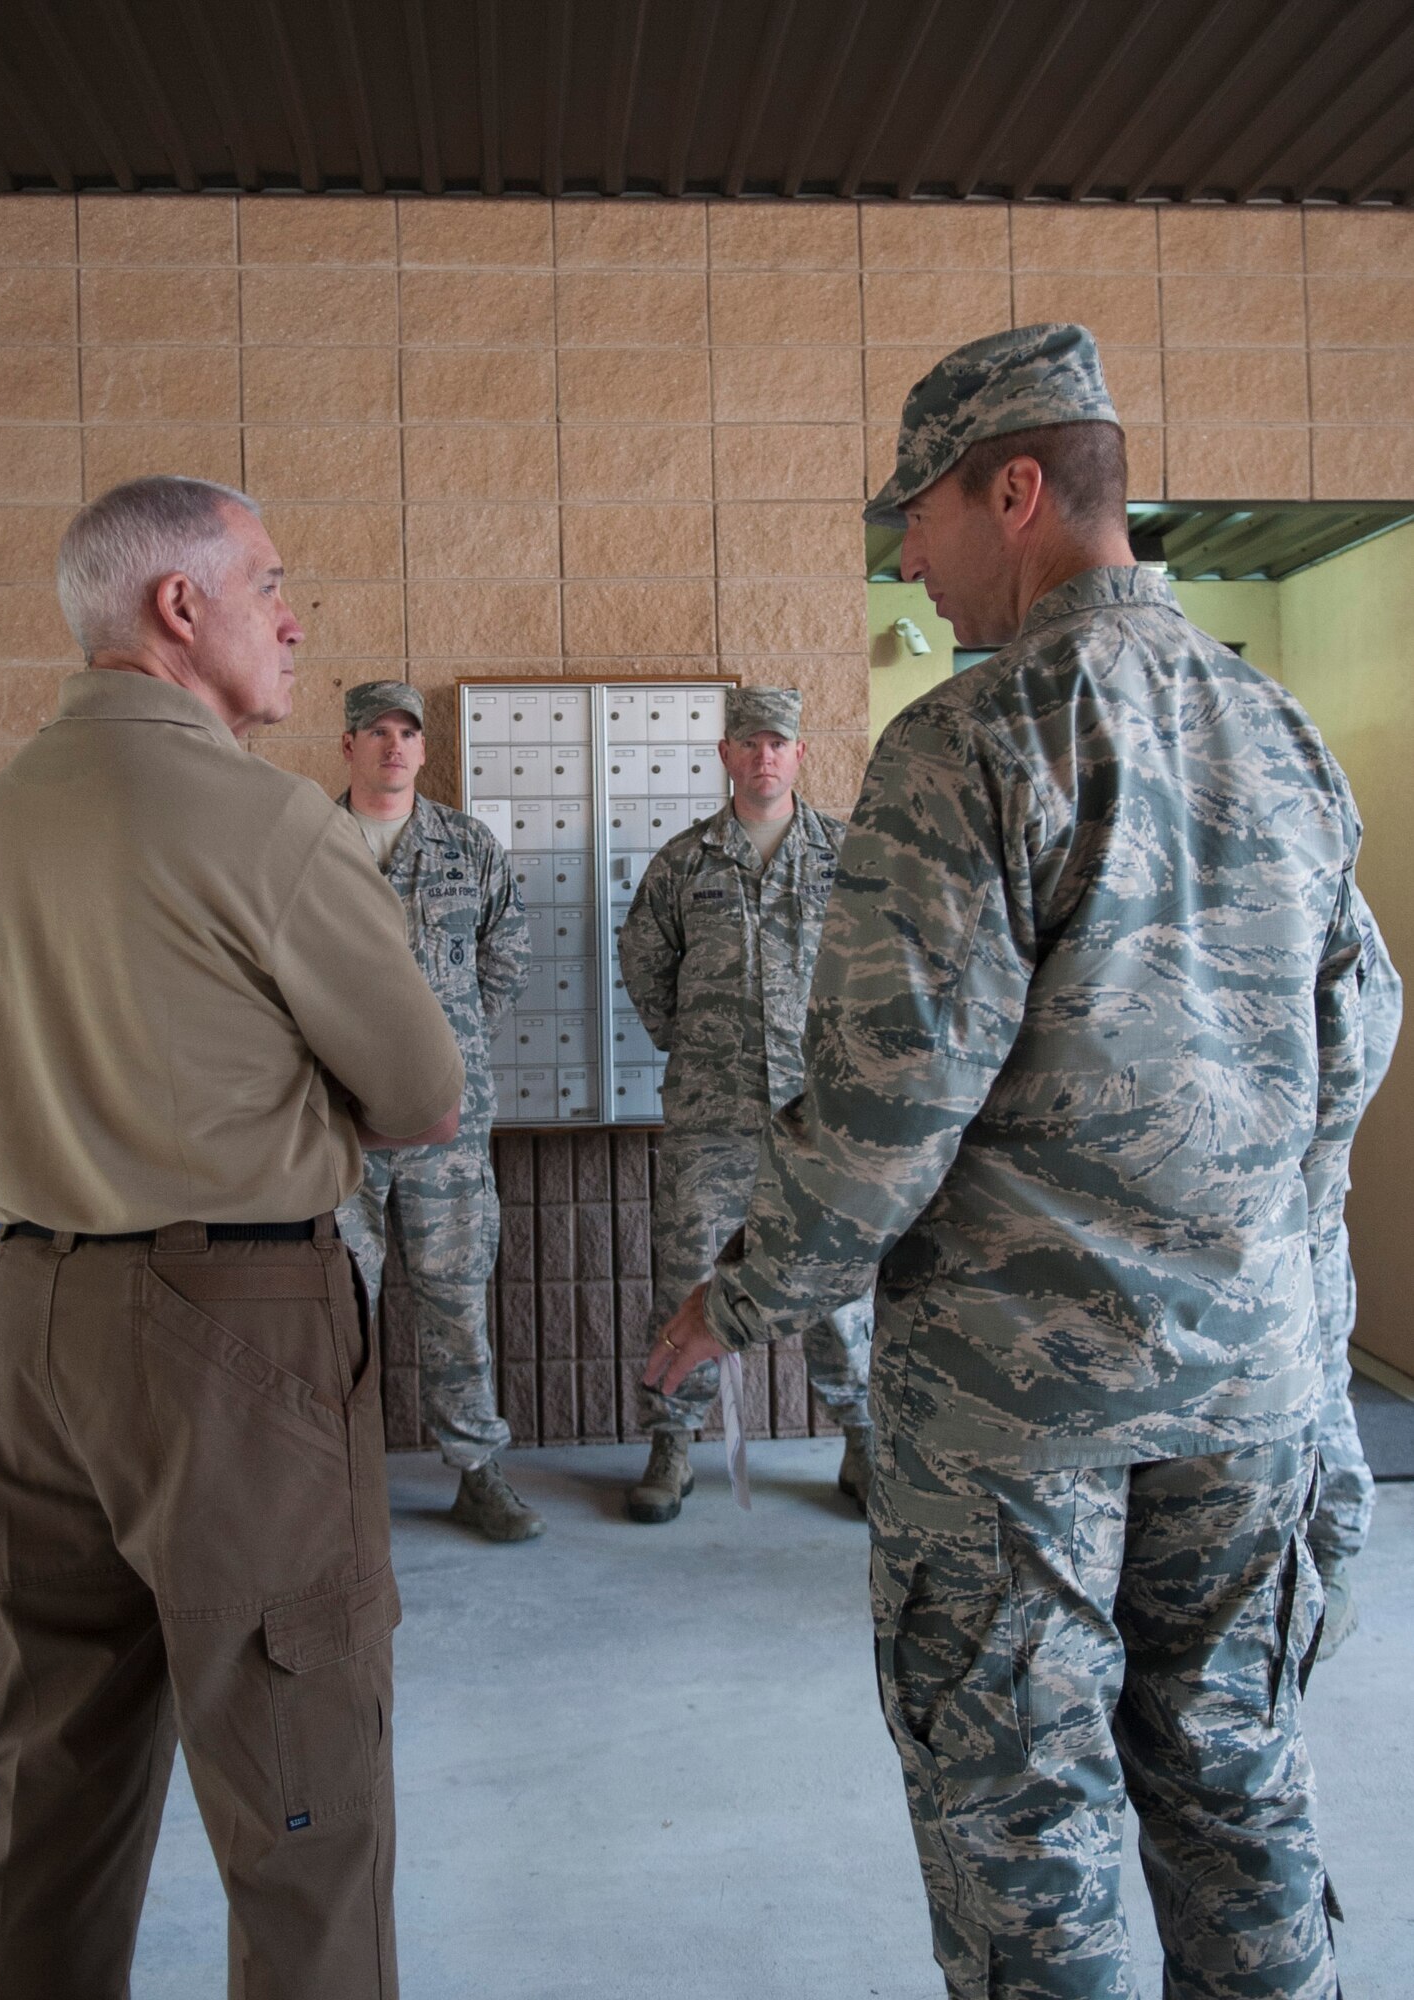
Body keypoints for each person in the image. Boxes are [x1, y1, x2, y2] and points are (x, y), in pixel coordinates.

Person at [649, 325, 1365, 1998]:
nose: (909, 551)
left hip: (1017, 1412)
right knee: (1235, 1779)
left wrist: (735, 1302)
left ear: (1019, 491)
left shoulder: (969, 741)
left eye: (925, 512)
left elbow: (888, 1114)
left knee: (1027, 1825)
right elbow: (1356, 1040)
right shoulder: (1283, 732)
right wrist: (1289, 1299)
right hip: (1250, 1383)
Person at [0, 476, 464, 2000]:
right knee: (300, 1788)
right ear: (179, 608)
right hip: (228, 1331)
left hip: (27, 1320)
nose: (293, 617)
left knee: (53, 1775)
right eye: (268, 582)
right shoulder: (262, 819)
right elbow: (422, 1094)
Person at [618, 685, 872, 1524]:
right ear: (724, 755)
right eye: (749, 743)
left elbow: (878, 973)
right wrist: (700, 1050)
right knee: (686, 1281)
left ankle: (864, 1439)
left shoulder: (845, 857)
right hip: (711, 1119)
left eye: (779, 744)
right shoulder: (684, 864)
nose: (764, 757)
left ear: (800, 755)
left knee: (836, 1283)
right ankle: (672, 1443)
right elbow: (648, 974)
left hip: (822, 1116)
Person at [334, 682, 541, 1542]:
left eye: (406, 734)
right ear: (346, 746)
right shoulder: (303, 844)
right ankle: (331, 1484)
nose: (393, 746)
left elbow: (509, 952)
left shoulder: (466, 845)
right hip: (335, 1123)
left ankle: (476, 1470)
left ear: (424, 749)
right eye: (375, 732)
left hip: (446, 1129)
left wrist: (445, 1051)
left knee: (455, 1299)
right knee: (335, 1307)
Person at [1309, 888, 1402, 1653]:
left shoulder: (1291, 824)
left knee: (1313, 1379)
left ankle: (1329, 1558)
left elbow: (1372, 995)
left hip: (1285, 1209)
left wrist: (1309, 1176)